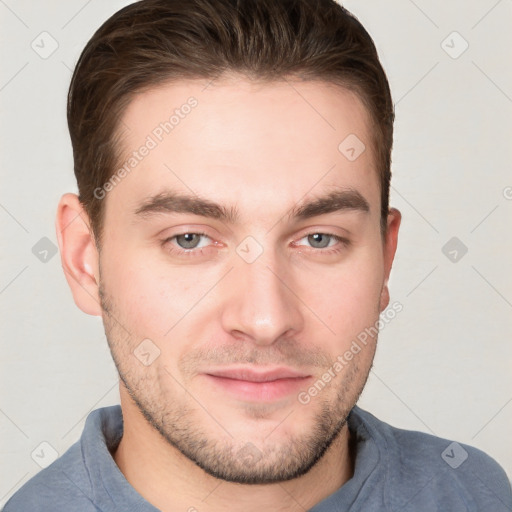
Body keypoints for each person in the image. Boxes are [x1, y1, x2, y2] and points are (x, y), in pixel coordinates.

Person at [3, 0, 511, 510]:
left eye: (319, 239)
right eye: (189, 239)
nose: (266, 319)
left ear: (386, 255)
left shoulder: (476, 493)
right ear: (84, 259)